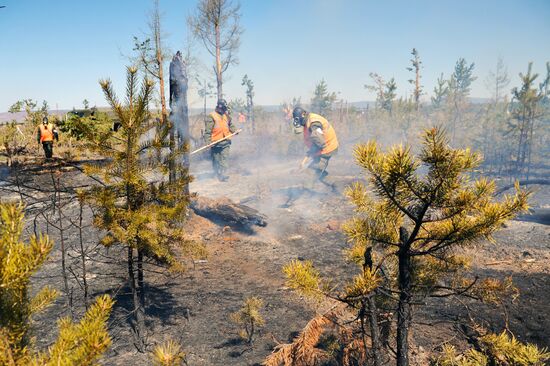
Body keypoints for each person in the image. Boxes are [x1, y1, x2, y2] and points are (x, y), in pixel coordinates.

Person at [292, 107, 339, 191]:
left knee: (311, 172)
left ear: (303, 114)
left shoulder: (313, 123)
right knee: (317, 171)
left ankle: (305, 193)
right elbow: (316, 143)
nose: (297, 122)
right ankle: (337, 186)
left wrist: (313, 151)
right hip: (323, 148)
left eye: (297, 119)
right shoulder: (308, 120)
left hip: (326, 149)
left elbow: (320, 142)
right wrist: (308, 155)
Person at [204, 99, 236, 181]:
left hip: (226, 142)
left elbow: (230, 125)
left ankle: (223, 175)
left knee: (224, 159)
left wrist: (235, 130)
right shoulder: (212, 116)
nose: (225, 110)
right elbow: (208, 131)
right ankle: (216, 172)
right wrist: (208, 142)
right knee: (216, 160)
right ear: (219, 107)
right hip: (215, 142)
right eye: (224, 108)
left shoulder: (226, 116)